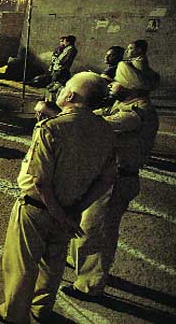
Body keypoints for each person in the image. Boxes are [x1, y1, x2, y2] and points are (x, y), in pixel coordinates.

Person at [0, 72, 117, 324]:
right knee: (52, 266)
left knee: (21, 264)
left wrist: (56, 211)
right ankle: (41, 310)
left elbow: (41, 180)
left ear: (70, 95)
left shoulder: (52, 128)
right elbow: (106, 180)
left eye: (66, 87)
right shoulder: (106, 131)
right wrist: (74, 211)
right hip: (71, 209)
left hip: (38, 208)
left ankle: (12, 314)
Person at [62, 61, 159, 301]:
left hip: (116, 181)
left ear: (130, 87)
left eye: (116, 82)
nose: (112, 85)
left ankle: (90, 285)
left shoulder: (136, 114)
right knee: (85, 223)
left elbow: (93, 123)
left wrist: (66, 112)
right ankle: (79, 263)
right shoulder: (125, 103)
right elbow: (100, 112)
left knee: (97, 233)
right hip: (106, 176)